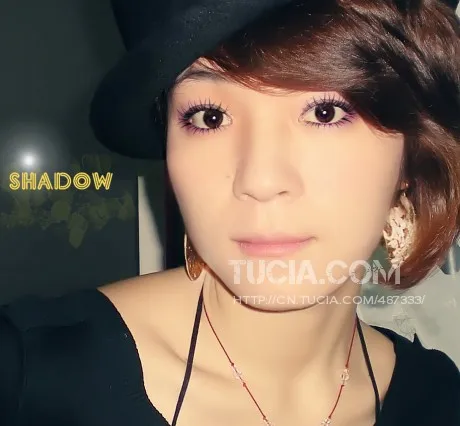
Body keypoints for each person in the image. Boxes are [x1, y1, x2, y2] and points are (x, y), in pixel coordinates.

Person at [1, 0, 460, 425]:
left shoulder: (438, 399)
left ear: (412, 156)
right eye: (210, 118)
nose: (259, 180)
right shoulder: (29, 379)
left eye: (324, 112)